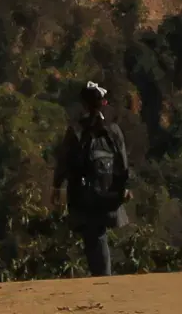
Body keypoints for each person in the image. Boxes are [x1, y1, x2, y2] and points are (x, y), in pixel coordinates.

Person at [52, 80, 131, 276]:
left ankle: (103, 279)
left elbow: (64, 161)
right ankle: (102, 276)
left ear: (83, 104)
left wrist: (56, 187)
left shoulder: (76, 131)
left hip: (83, 194)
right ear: (103, 103)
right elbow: (123, 163)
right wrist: (125, 188)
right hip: (108, 191)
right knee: (98, 234)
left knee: (94, 235)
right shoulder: (113, 130)